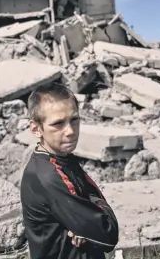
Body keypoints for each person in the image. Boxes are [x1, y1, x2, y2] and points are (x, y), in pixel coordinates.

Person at [20, 82, 119, 259]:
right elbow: (108, 233)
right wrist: (90, 218)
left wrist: (83, 224)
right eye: (58, 124)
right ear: (36, 129)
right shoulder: (48, 176)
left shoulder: (61, 157)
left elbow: (96, 230)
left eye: (74, 119)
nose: (70, 131)